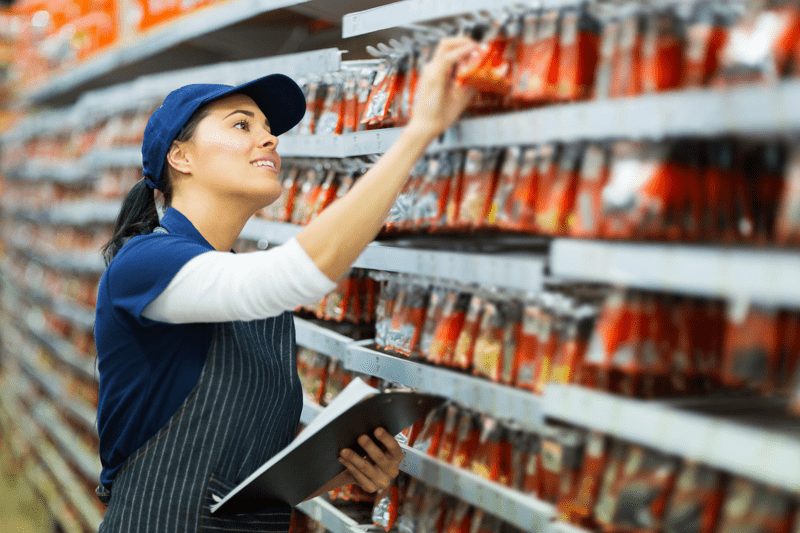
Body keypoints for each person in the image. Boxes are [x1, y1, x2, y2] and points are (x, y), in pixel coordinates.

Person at [93, 36, 478, 532]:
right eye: (241, 125)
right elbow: (296, 272)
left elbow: (243, 488)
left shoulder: (263, 314)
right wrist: (417, 132)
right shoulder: (145, 264)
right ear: (180, 157)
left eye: (270, 129)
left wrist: (341, 471)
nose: (270, 139)